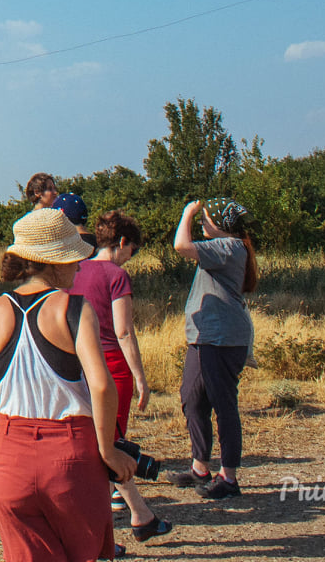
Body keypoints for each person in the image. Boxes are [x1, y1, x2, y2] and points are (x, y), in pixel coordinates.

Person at [0, 206, 134, 562]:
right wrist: (108, 450)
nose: (78, 266)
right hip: (71, 452)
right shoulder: (75, 309)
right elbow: (101, 386)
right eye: (72, 258)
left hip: (11, 453)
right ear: (54, 262)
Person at [73, 210, 172, 543]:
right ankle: (110, 531)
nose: (131, 256)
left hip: (79, 364)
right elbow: (124, 331)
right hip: (111, 364)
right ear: (123, 242)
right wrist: (140, 377)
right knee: (108, 447)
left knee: (99, 444)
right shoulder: (116, 275)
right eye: (133, 249)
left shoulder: (76, 269)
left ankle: (139, 516)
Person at [168, 198, 257, 499]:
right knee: (192, 398)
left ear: (221, 223)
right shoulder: (224, 247)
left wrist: (187, 214)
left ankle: (228, 477)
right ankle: (200, 468)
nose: (202, 223)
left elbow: (181, 246)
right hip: (204, 337)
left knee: (223, 405)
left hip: (222, 337)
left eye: (206, 218)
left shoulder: (228, 247)